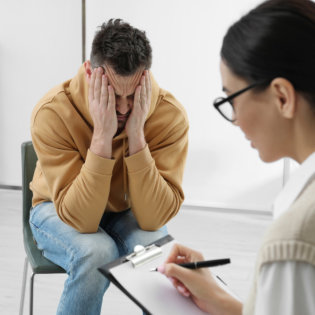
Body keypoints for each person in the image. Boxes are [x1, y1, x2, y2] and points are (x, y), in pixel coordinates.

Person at [158, 0, 315, 314]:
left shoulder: (294, 237)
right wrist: (221, 300)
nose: (236, 120)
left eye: (232, 98)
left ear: (282, 97)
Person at [29, 19, 188, 314]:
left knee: (156, 252)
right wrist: (102, 137)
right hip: (56, 207)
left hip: (127, 209)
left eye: (132, 95)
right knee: (97, 252)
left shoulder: (169, 115)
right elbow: (82, 219)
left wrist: (136, 137)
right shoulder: (52, 112)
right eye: (114, 95)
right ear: (90, 73)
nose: (125, 108)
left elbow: (153, 220)